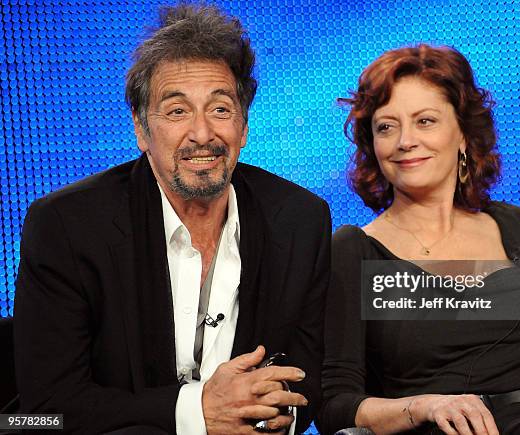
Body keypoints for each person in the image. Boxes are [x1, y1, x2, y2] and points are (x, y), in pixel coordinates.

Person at [14, 4, 330, 434]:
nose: (203, 134)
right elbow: (44, 410)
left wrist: (266, 420)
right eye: (177, 111)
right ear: (142, 130)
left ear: (244, 126)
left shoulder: (300, 220)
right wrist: (198, 413)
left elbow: (305, 378)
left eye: (220, 109)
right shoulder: (66, 226)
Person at [317, 44, 520, 435]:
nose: (405, 140)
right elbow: (334, 405)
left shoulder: (513, 225)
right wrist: (423, 406)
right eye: (386, 126)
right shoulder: (355, 250)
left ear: (462, 135)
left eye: (425, 121)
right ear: (373, 145)